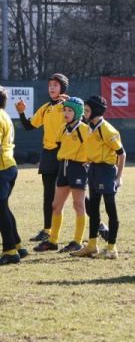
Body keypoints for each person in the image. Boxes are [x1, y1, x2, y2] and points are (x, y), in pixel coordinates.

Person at [71, 95, 126, 259]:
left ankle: (111, 249)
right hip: (94, 171)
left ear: (95, 111)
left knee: (111, 210)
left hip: (106, 172)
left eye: (87, 110)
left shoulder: (108, 130)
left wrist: (118, 177)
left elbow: (122, 154)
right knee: (93, 210)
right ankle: (92, 245)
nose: (84, 113)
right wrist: (88, 162)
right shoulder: (90, 127)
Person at [16, 73, 68, 242]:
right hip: (48, 154)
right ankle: (47, 230)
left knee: (76, 192)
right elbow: (29, 126)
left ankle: (97, 225)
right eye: (50, 85)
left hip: (65, 154)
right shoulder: (46, 108)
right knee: (48, 194)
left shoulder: (68, 105)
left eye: (55, 85)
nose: (51, 87)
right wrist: (22, 113)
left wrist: (71, 103)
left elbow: (81, 119)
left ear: (62, 88)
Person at [33, 97, 89, 253]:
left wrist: (87, 162)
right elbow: (59, 146)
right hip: (63, 167)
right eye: (65, 109)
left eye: (70, 110)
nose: (66, 112)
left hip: (78, 168)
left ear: (78, 113)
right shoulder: (63, 128)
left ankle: (77, 242)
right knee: (56, 206)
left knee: (78, 205)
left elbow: (93, 147)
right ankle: (53, 241)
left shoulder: (85, 129)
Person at [0, 86, 28, 265]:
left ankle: (10, 251)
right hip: (9, 166)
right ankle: (17, 245)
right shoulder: (5, 115)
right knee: (3, 208)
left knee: (1, 210)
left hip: (1, 169)